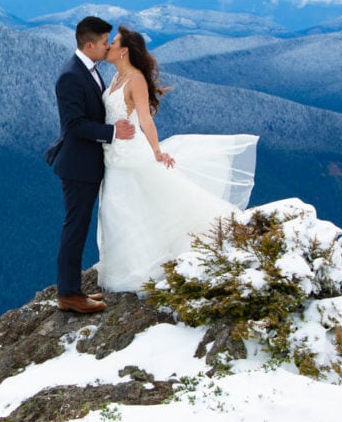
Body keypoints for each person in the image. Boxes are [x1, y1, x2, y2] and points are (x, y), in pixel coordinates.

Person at [97, 25, 258, 293]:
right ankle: (127, 264)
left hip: (130, 156)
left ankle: (136, 269)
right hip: (113, 155)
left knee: (125, 207)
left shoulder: (135, 79)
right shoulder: (115, 78)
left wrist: (156, 151)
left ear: (124, 51)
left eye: (113, 42)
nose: (108, 46)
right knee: (116, 210)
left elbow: (145, 120)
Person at [45, 16, 135, 314]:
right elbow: (74, 125)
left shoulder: (89, 71)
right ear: (89, 44)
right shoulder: (70, 76)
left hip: (89, 163)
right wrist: (112, 133)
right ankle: (68, 294)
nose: (108, 46)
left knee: (78, 226)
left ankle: (72, 290)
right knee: (75, 228)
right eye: (105, 42)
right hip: (77, 167)